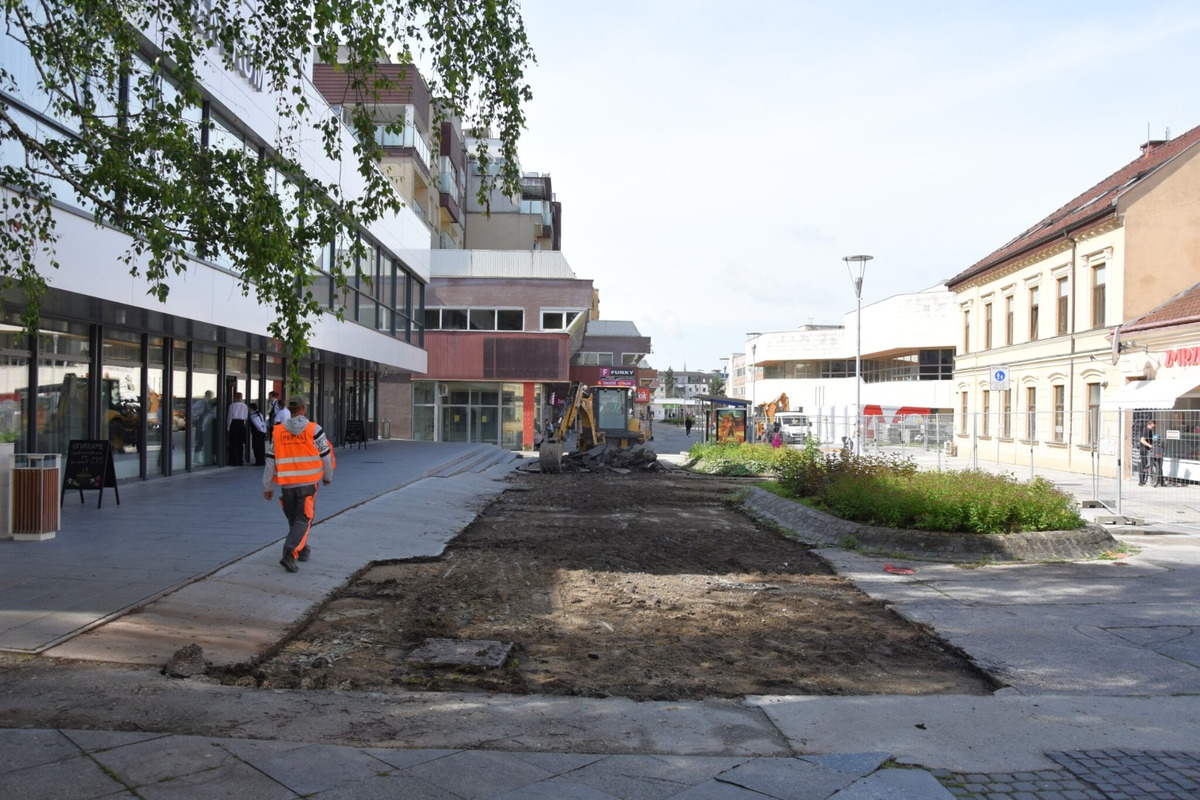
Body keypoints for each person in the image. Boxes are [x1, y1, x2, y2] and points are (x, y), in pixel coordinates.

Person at [263, 397, 334, 573]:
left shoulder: (278, 432)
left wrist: (267, 486)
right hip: (308, 484)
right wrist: (327, 476)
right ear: (303, 408)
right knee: (303, 520)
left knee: (295, 520)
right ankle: (289, 554)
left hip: (287, 485)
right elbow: (325, 455)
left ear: (289, 409)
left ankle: (302, 550)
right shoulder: (314, 429)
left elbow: (270, 461)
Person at [1139, 419, 1164, 487]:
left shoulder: (1150, 431)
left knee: (1150, 463)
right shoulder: (1146, 430)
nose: (1154, 428)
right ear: (1149, 424)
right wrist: (1150, 446)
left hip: (1148, 449)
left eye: (1155, 427)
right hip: (1144, 450)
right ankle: (1141, 482)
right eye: (1153, 427)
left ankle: (1159, 481)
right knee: (1143, 465)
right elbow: (1142, 440)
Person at [227, 392, 248, 466]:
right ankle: (240, 460)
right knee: (240, 443)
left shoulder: (232, 406)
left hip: (234, 423)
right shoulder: (245, 406)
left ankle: (234, 461)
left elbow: (230, 417)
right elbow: (245, 417)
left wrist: (228, 427)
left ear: (235, 397)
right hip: (241, 424)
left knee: (233, 443)